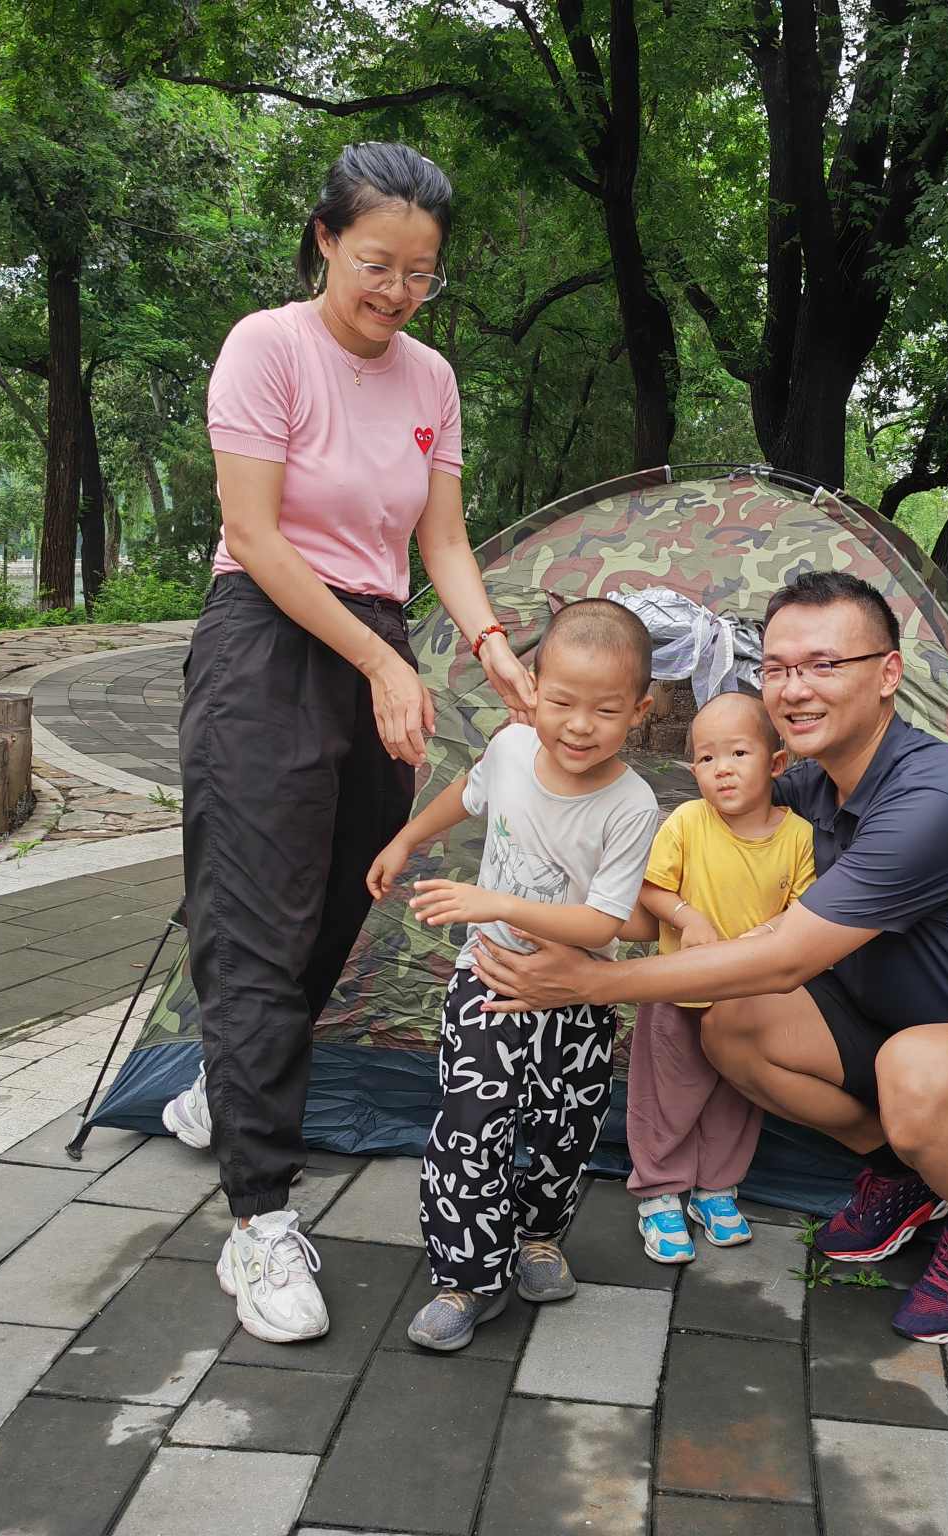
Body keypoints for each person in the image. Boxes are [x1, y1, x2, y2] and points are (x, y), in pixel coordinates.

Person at [471, 570, 948, 1344]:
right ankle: (908, 1168)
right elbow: (701, 841)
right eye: (778, 668)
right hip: (896, 1029)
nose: (794, 689)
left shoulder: (930, 803)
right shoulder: (813, 787)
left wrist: (593, 983)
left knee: (913, 1070)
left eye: (825, 665)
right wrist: (551, 754)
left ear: (888, 673)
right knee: (731, 1025)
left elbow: (784, 958)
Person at [163, 143, 535, 1346]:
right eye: (377, 264)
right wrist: (382, 665)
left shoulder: (432, 378)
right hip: (263, 641)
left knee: (349, 893)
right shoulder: (266, 347)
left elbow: (443, 540)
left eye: (421, 274)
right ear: (324, 239)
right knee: (255, 920)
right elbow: (254, 534)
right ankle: (258, 1220)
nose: (397, 293)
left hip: (376, 639)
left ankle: (234, 1074)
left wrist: (487, 645)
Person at [367, 599, 661, 1352]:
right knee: (471, 1124)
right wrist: (404, 839)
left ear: (640, 711)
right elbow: (464, 795)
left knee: (567, 1128)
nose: (579, 726)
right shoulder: (509, 749)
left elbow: (601, 924)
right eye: (561, 701)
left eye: (605, 710)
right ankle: (466, 1277)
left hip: (576, 994)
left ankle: (538, 1238)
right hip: (489, 977)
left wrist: (495, 900)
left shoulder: (632, 805)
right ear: (533, 688)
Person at [625, 692, 815, 1263]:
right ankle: (659, 1192)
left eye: (737, 753)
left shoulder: (798, 837)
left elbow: (806, 909)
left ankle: (716, 1188)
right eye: (706, 758)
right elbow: (651, 886)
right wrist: (689, 917)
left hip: (748, 1000)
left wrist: (770, 932)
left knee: (736, 1095)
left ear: (776, 763)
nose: (721, 769)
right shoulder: (688, 822)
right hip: (679, 992)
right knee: (668, 1093)